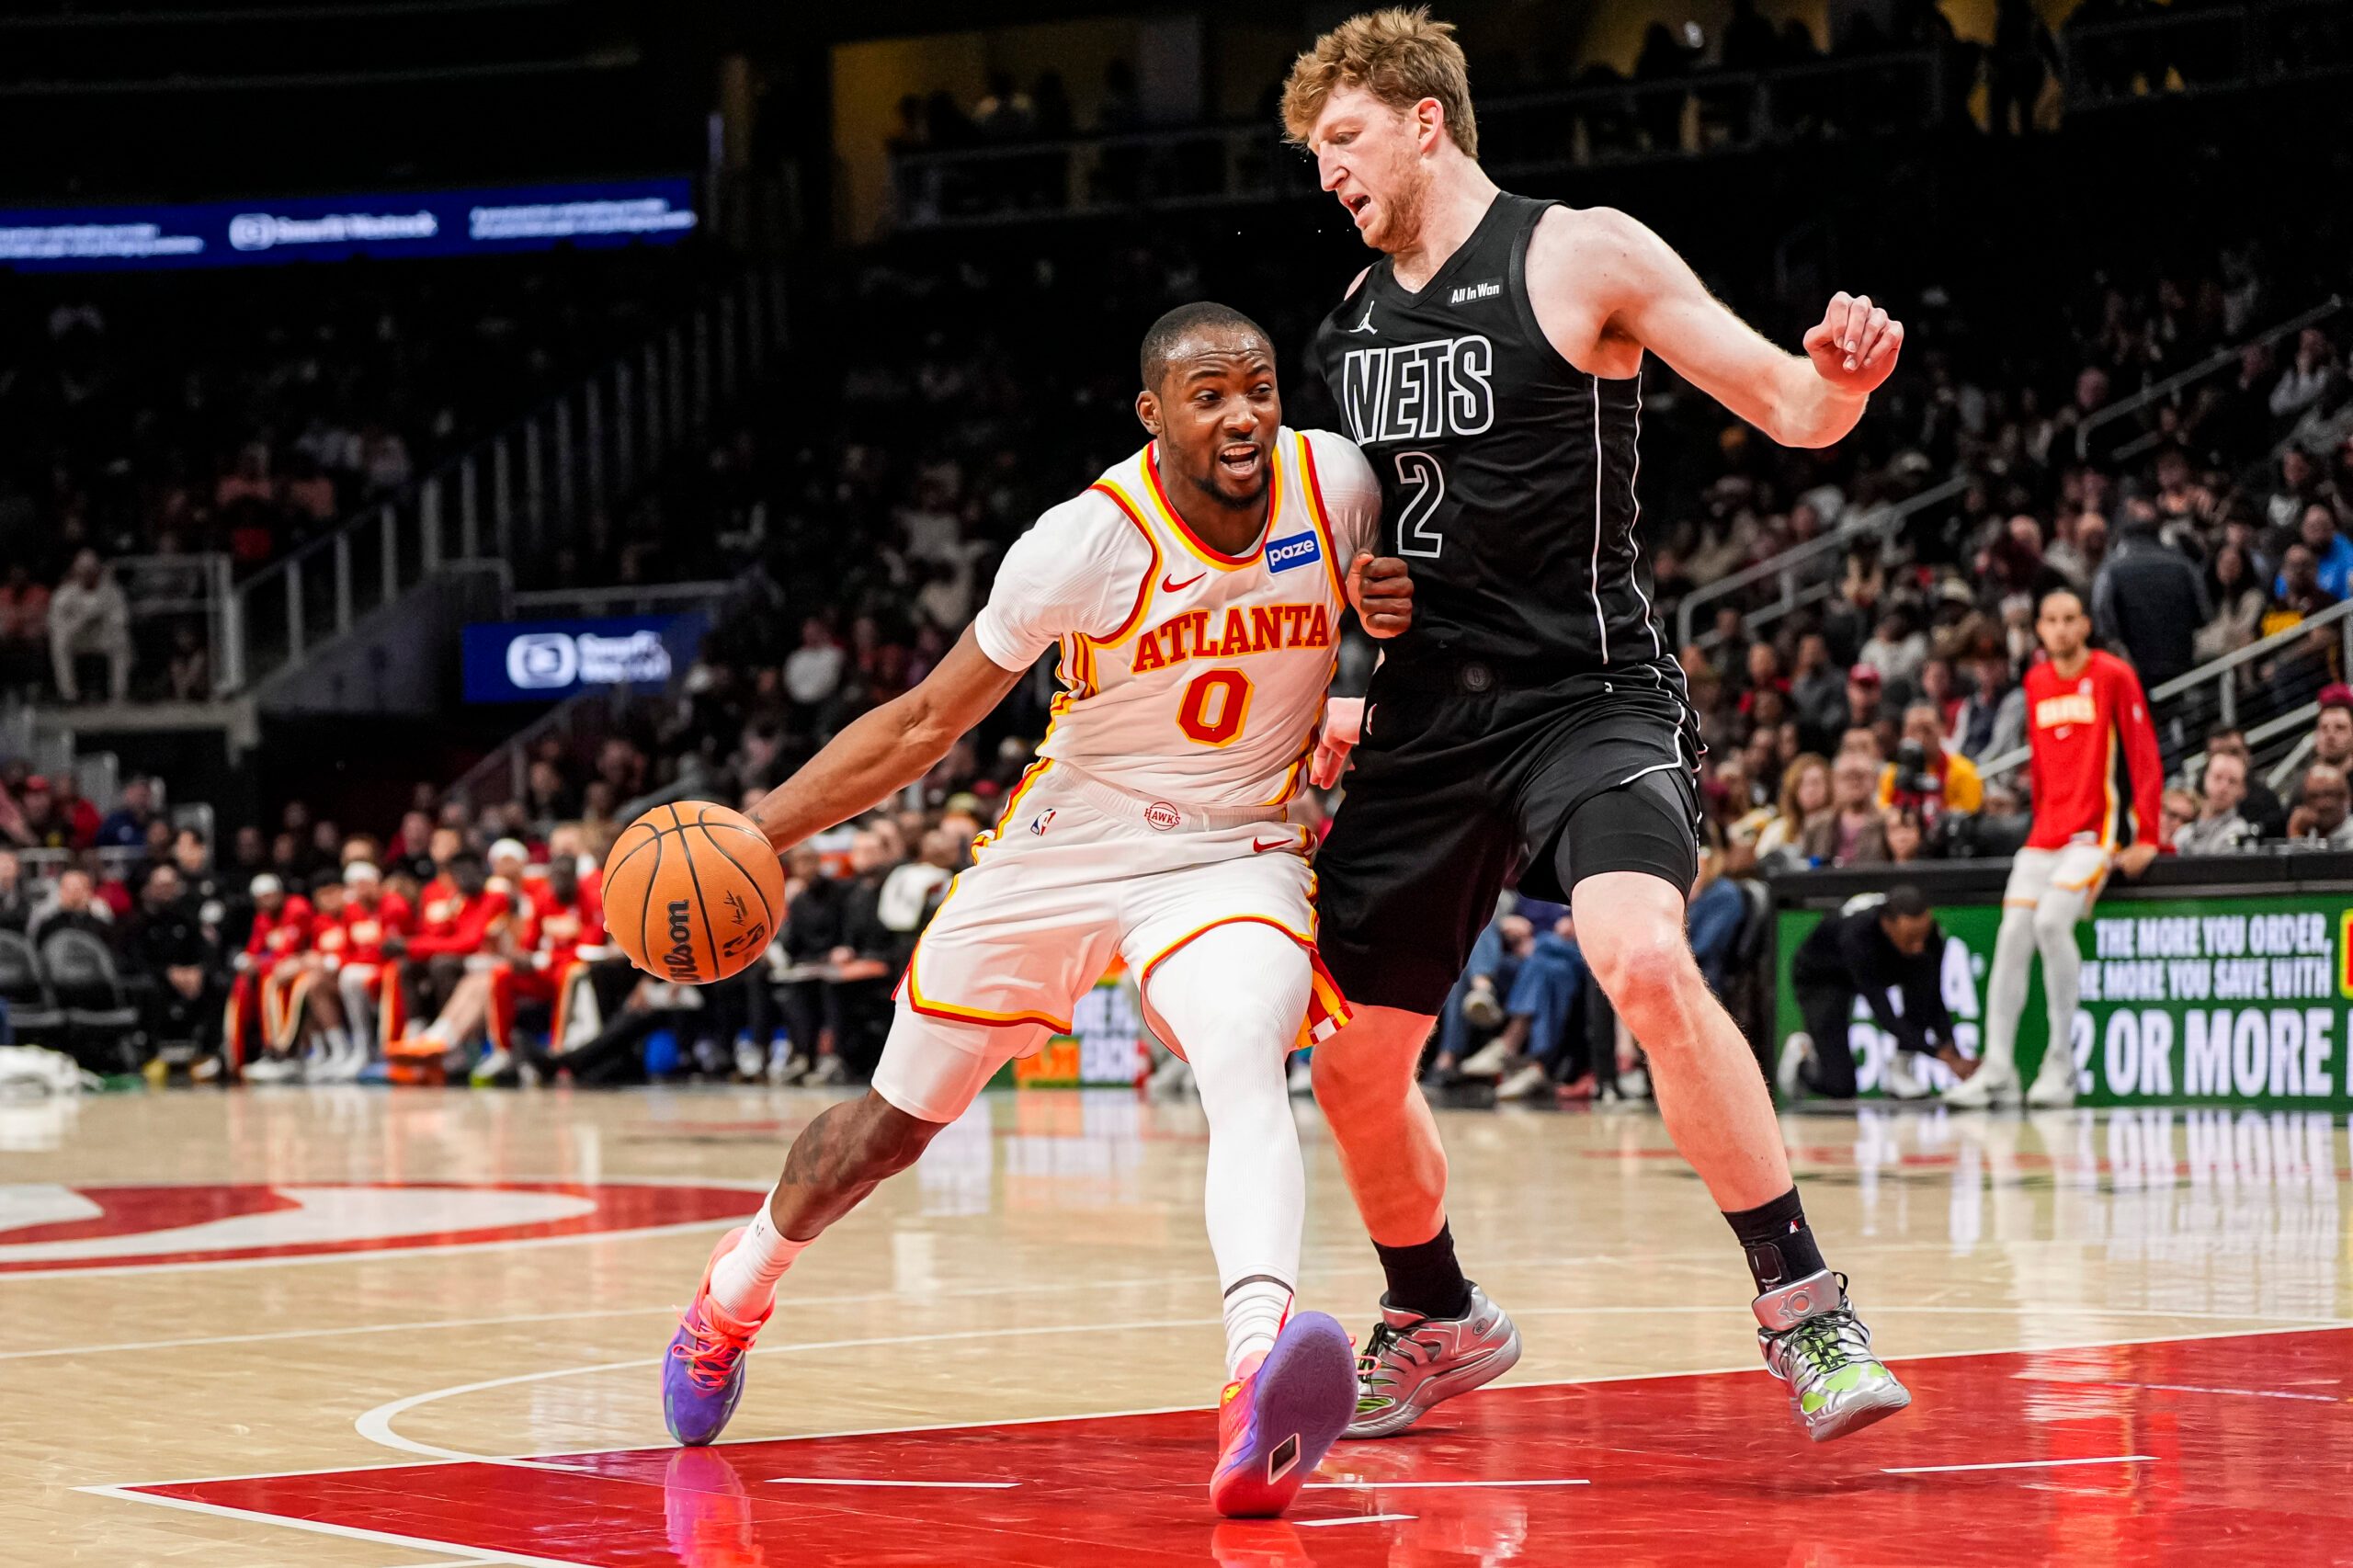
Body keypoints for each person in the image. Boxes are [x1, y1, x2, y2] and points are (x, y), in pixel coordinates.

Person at [657, 302, 1415, 1521]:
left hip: (1234, 853)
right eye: (1209, 394)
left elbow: (1404, 620)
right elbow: (921, 724)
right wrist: (762, 828)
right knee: (889, 1130)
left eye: (1259, 388)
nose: (1241, 416)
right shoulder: (1083, 542)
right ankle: (731, 1297)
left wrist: (1379, 646)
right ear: (1152, 413)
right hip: (1071, 839)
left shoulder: (1338, 482)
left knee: (1243, 1064)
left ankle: (1252, 1379)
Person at [1286, 8, 1908, 1444]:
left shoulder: (1582, 253)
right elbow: (1377, 553)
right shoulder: (1352, 327)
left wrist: (1842, 381)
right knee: (1352, 1058)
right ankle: (1434, 1311)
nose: (1326, 175)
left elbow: (1789, 406)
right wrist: (1359, 661)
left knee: (1635, 951)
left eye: (1342, 141)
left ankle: (1805, 1306)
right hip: (1432, 719)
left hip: (1588, 696)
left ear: (1424, 119)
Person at [1947, 588, 2166, 1108]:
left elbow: (2143, 756)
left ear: (2085, 625)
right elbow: (2043, 768)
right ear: (2039, 630)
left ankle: (2060, 1066)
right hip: (2044, 835)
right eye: (2052, 620)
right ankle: (1998, 1069)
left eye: (2071, 619)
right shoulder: (2037, 681)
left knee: (2051, 922)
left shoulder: (2114, 675)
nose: (2062, 629)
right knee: (2011, 937)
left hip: (2095, 834)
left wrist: (2151, 837)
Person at [1779, 887, 1973, 1101]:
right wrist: (1937, 1053)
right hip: (1822, 976)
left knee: (1922, 972)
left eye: (1923, 935)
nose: (1919, 945)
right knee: (1841, 1086)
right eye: (1910, 937)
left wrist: (1953, 1050)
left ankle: (1901, 1070)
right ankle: (1803, 1062)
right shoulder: (1857, 935)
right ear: (1887, 924)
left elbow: (1935, 999)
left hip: (1877, 968)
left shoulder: (1930, 938)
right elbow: (1884, 1014)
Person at [47, 550, 132, 703]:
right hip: (77, 637)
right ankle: (69, 695)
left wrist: (102, 617)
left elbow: (121, 619)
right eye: (83, 569)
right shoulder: (64, 594)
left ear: (97, 570)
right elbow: (56, 623)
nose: (87, 573)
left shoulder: (112, 592)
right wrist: (83, 620)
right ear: (75, 570)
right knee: (59, 642)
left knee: (122, 641)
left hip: (102, 636)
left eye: (91, 569)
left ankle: (119, 694)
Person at [2174, 750, 2257, 854]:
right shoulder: (2183, 834)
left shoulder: (2240, 833)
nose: (2223, 787)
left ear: (2242, 790)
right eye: (2217, 777)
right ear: (2204, 778)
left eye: (2232, 781)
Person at [2287, 763, 2353, 849]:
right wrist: (2297, 837)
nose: (2321, 805)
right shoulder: (2308, 835)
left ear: (2346, 797)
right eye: (2313, 796)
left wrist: (2296, 835)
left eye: (2329, 794)